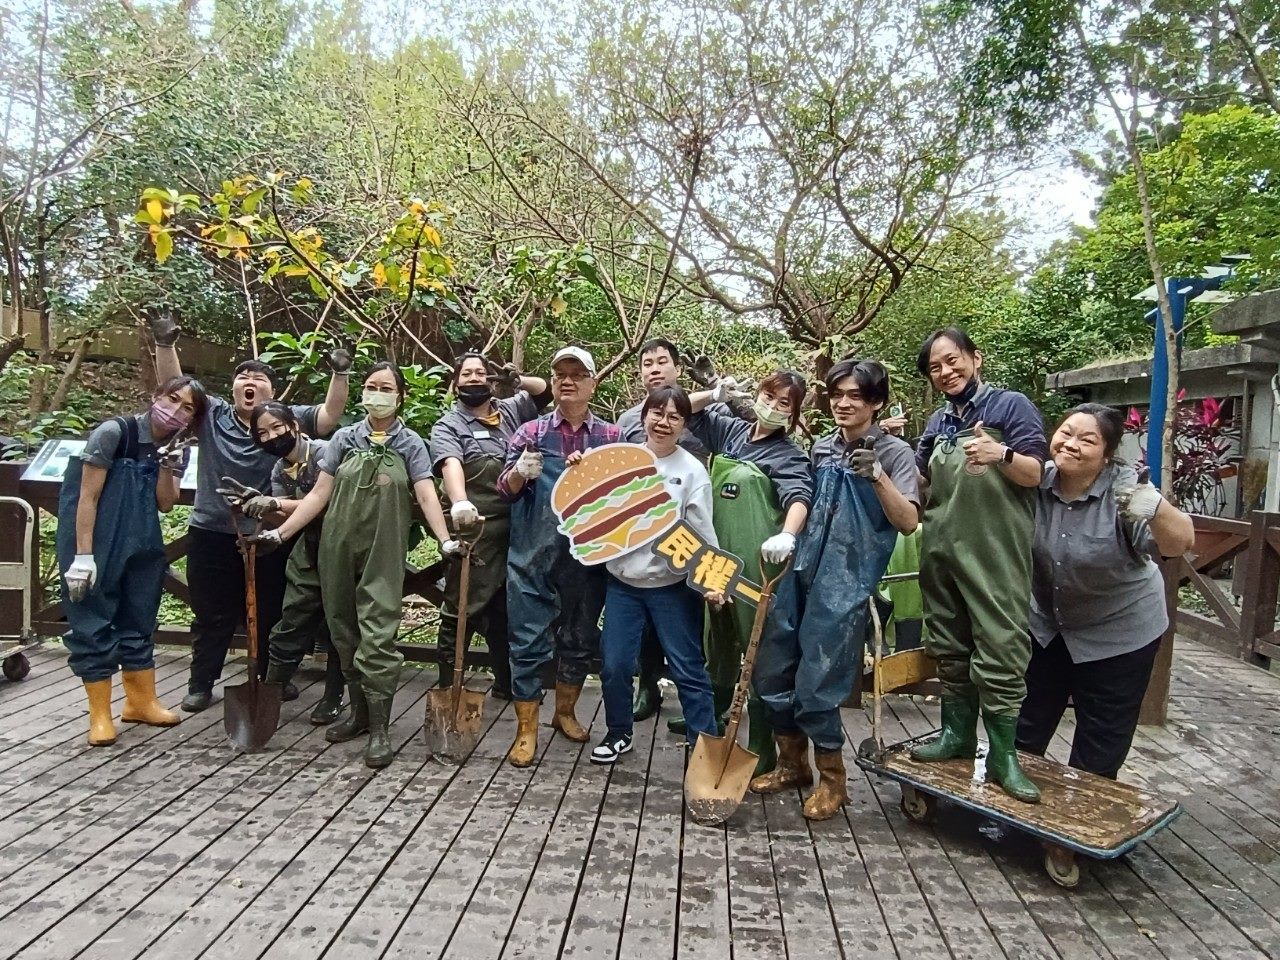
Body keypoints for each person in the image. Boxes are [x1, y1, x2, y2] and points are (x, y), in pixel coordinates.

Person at [252, 362, 454, 768]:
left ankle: (380, 729)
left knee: (377, 634)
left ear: (400, 396)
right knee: (343, 632)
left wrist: (445, 540)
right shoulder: (344, 439)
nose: (376, 393)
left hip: (383, 552)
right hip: (336, 548)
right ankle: (359, 716)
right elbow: (317, 496)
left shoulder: (411, 443)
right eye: (370, 386)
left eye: (385, 387)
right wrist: (281, 533)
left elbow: (427, 495)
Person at [149, 314, 350, 712]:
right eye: (243, 375)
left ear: (272, 392)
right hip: (211, 530)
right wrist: (166, 345)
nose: (250, 381)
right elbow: (178, 389)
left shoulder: (280, 420)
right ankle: (201, 683)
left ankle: (269, 680)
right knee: (211, 613)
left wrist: (340, 372)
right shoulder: (214, 414)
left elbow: (330, 415)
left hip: (267, 534)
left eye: (259, 378)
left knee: (271, 610)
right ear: (234, 386)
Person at [751, 359, 920, 819]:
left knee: (820, 681)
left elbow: (907, 521)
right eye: (837, 394)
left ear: (876, 403)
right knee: (773, 666)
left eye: (856, 396)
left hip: (845, 583)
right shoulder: (822, 446)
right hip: (799, 570)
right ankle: (793, 765)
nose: (844, 403)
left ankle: (834, 781)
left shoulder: (898, 454)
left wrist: (878, 475)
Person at [908, 327, 1048, 803]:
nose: (946, 372)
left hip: (994, 551)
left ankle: (1003, 757)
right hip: (942, 549)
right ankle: (957, 736)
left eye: (953, 361)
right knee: (948, 642)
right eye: (935, 368)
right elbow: (923, 483)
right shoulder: (936, 422)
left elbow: (1035, 474)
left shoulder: (1010, 407)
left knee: (1001, 646)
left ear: (975, 358)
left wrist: (1000, 452)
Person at [1016, 404, 1194, 780]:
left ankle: (1076, 831)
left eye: (1087, 439)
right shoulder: (1036, 482)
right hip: (1049, 627)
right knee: (1024, 726)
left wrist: (1156, 507)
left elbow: (1179, 544)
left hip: (1119, 635)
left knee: (1100, 745)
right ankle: (1011, 817)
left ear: (1108, 454)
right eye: (1066, 432)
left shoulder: (1126, 492)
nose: (1071, 444)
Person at [58, 376, 209, 745]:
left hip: (142, 543)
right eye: (172, 399)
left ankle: (141, 702)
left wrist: (169, 465)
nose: (174, 410)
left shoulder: (177, 446)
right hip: (96, 539)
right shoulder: (114, 433)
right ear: (156, 396)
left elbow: (165, 503)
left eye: (186, 407)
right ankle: (100, 715)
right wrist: (82, 556)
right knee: (93, 619)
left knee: (139, 615)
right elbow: (87, 498)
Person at [685, 370, 814, 777]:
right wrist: (712, 393)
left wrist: (788, 535)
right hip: (715, 558)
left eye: (784, 404)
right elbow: (676, 409)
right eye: (768, 396)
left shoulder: (789, 455)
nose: (772, 407)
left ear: (793, 415)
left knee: (757, 654)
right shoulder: (732, 430)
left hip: (758, 566)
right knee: (716, 645)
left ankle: (761, 746)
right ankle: (715, 728)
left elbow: (799, 496)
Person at [498, 346, 621, 767]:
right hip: (531, 555)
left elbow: (624, 499)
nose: (566, 381)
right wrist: (519, 472)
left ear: (592, 382)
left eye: (576, 374)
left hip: (587, 557)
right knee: (527, 641)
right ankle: (526, 729)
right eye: (559, 374)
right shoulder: (530, 432)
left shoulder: (610, 437)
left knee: (580, 637)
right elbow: (504, 489)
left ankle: (564, 713)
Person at [593, 387, 723, 764]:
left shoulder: (692, 470)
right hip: (623, 584)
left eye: (674, 417)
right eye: (657, 413)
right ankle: (619, 732)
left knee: (688, 668)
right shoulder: (622, 460)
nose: (663, 423)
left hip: (673, 588)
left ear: (684, 424)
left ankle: (704, 746)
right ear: (643, 416)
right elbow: (592, 505)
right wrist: (578, 468)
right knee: (615, 664)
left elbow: (702, 532)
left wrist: (713, 582)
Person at [430, 353, 550, 699]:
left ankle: (506, 682)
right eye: (466, 373)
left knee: (505, 607)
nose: (474, 378)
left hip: (517, 527)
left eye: (481, 373)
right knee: (460, 607)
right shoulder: (449, 425)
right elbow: (450, 463)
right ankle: (447, 686)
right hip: (475, 528)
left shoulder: (509, 410)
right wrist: (459, 501)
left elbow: (544, 395)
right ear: (456, 383)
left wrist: (519, 380)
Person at [616, 339, 710, 723]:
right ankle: (646, 690)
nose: (654, 368)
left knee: (687, 648)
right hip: (630, 555)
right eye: (647, 363)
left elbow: (703, 525)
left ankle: (703, 727)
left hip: (680, 548)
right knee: (628, 650)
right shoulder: (626, 424)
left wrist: (711, 576)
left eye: (662, 362)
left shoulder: (702, 416)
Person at [236, 402, 346, 724]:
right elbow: (286, 513)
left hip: (340, 547)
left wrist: (276, 502)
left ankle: (333, 696)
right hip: (306, 548)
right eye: (262, 433)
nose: (272, 436)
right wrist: (253, 503)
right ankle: (271, 689)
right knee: (291, 619)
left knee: (337, 625)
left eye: (276, 427)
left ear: (294, 425)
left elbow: (327, 502)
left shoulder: (326, 453)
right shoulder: (279, 470)